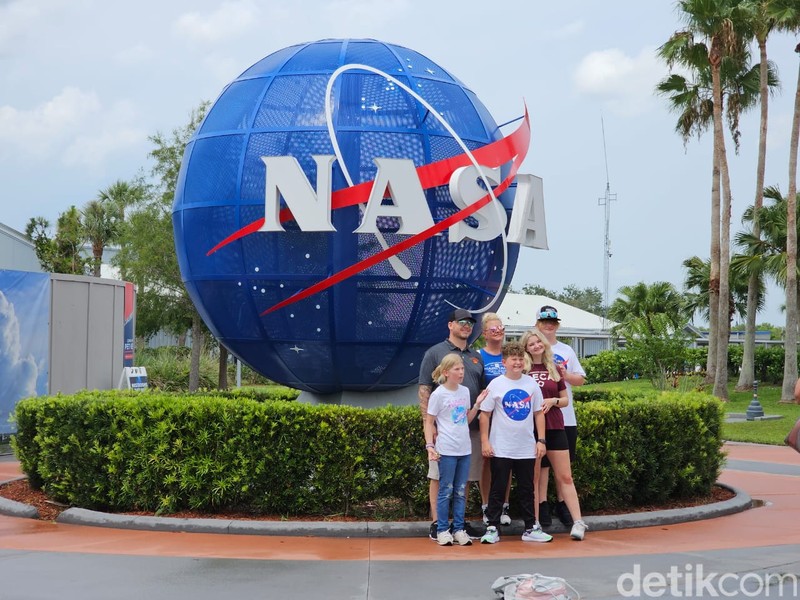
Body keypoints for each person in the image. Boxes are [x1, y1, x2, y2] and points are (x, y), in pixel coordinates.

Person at [419, 308, 486, 540]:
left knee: (463, 481)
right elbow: (425, 390)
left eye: (470, 323)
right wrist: (430, 430)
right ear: (450, 325)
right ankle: (438, 524)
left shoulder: (475, 356)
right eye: (461, 322)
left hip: (468, 433)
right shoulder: (435, 353)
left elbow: (477, 393)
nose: (466, 326)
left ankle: (459, 524)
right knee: (439, 479)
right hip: (443, 433)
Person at [479, 341, 550, 544]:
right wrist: (485, 441)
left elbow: (538, 413)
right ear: (504, 362)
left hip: (526, 447)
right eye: (513, 359)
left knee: (527, 488)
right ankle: (492, 527)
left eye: (520, 359)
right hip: (501, 446)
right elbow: (485, 415)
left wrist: (541, 440)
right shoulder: (496, 384)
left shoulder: (531, 384)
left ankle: (530, 527)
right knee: (498, 487)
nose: (517, 363)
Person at [522, 328, 588, 541]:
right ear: (526, 348)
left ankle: (578, 522)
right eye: (531, 344)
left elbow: (565, 400)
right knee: (533, 479)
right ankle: (535, 524)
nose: (535, 346)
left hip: (556, 427)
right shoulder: (523, 370)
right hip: (530, 431)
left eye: (538, 342)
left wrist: (553, 402)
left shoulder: (555, 369)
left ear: (544, 344)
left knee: (565, 476)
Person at [535, 305, 586, 529]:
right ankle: (542, 503)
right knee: (541, 465)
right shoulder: (532, 352)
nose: (549, 325)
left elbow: (580, 379)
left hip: (565, 417)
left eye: (553, 322)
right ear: (537, 324)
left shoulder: (566, 351)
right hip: (539, 419)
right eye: (545, 321)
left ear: (557, 325)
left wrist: (566, 375)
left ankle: (563, 504)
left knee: (563, 467)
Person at [478, 312, 511, 526]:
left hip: (510, 418)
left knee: (506, 462)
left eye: (501, 327)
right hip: (488, 417)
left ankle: (504, 505)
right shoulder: (478, 356)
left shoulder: (510, 355)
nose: (498, 331)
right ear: (484, 333)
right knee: (488, 462)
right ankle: (487, 506)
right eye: (493, 329)